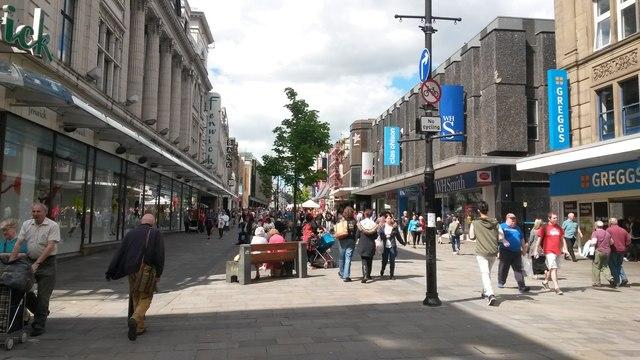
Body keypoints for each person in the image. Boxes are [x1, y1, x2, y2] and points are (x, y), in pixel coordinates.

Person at [105, 213, 164, 341]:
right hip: (146, 269)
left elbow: (120, 252)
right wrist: (159, 273)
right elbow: (159, 255)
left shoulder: (130, 233)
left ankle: (139, 327)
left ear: (141, 221)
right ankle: (135, 318)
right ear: (153, 222)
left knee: (135, 295)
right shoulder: (155, 233)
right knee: (146, 296)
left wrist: (110, 271)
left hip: (130, 269)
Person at [10, 203, 60, 337]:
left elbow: (50, 246)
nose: (35, 213)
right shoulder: (27, 224)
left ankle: (39, 326)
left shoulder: (52, 226)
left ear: (45, 212)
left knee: (43, 296)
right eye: (33, 211)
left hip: (47, 263)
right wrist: (11, 261)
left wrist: (38, 263)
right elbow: (18, 243)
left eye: (38, 211)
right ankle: (41, 312)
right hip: (29, 261)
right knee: (23, 289)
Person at [469, 201, 500, 306]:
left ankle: (490, 294)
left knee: (485, 273)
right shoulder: (495, 222)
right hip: (493, 251)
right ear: (488, 210)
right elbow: (501, 237)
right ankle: (484, 291)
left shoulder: (475, 223)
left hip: (481, 251)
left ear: (478, 210)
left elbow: (471, 236)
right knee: (487, 272)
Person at [533, 212, 569, 295]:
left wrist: (565, 249)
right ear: (549, 219)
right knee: (554, 268)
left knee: (551, 268)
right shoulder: (544, 227)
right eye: (554, 218)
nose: (556, 219)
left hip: (557, 251)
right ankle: (557, 287)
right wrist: (536, 250)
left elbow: (562, 239)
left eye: (556, 218)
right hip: (549, 251)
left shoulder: (559, 228)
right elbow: (539, 239)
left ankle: (545, 281)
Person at [497, 214, 529, 293]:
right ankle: (501, 282)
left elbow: (521, 239)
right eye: (511, 219)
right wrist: (498, 250)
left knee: (518, 270)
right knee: (504, 267)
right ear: (507, 219)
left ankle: (522, 287)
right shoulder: (502, 226)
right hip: (505, 251)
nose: (513, 220)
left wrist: (524, 249)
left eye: (514, 219)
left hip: (517, 252)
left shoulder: (517, 228)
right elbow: (498, 237)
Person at [378, 214, 406, 280]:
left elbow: (398, 236)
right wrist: (386, 236)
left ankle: (391, 275)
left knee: (392, 260)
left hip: (392, 246)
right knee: (384, 260)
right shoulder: (382, 227)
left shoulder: (394, 227)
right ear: (385, 219)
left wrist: (403, 242)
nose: (389, 219)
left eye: (390, 218)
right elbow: (380, 234)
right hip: (385, 246)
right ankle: (382, 269)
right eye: (388, 218)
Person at [607, 218, 631, 287]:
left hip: (613, 250)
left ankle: (616, 281)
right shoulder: (623, 230)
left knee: (612, 265)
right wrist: (625, 247)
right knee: (619, 264)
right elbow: (629, 240)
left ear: (610, 223)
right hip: (622, 250)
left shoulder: (609, 230)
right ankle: (624, 278)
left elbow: (607, 239)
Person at [357, 209, 379, 283]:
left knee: (364, 260)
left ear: (364, 214)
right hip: (371, 244)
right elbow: (376, 236)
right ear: (371, 215)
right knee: (370, 260)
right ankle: (369, 275)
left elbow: (357, 235)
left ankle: (365, 275)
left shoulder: (360, 224)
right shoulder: (374, 224)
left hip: (363, 244)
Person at [337, 207, 358, 282]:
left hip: (342, 239)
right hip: (351, 240)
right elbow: (356, 232)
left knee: (341, 257)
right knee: (348, 257)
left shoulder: (341, 220)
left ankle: (342, 273)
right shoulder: (354, 221)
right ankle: (346, 276)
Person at [591, 220, 614, 287]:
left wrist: (589, 242)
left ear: (596, 226)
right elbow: (612, 242)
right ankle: (610, 278)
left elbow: (594, 242)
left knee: (596, 266)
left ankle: (597, 282)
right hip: (607, 252)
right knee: (605, 266)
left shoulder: (595, 233)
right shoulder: (607, 233)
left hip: (599, 251)